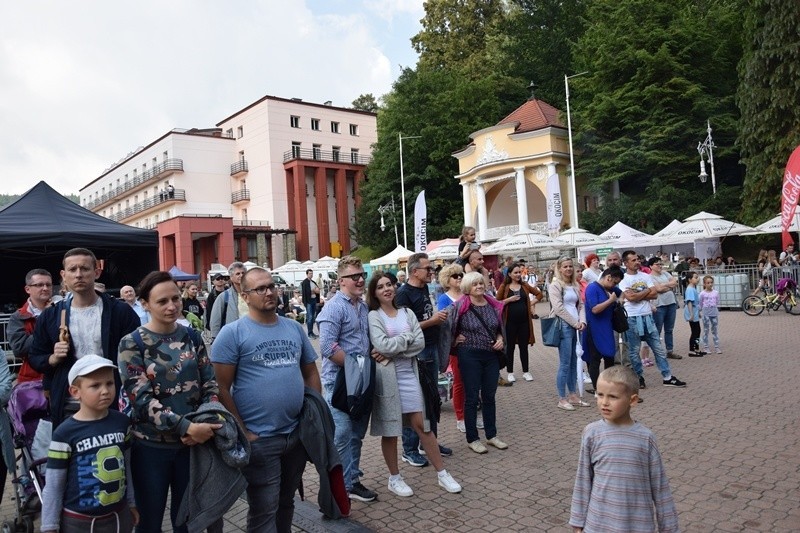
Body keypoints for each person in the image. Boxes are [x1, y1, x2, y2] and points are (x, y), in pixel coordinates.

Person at [211, 267, 321, 531]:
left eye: (272, 286)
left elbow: (310, 372)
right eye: (260, 288)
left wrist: (312, 416)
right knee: (263, 509)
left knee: (286, 502)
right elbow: (221, 387)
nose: (269, 292)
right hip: (260, 440)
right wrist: (243, 431)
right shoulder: (233, 333)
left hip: (295, 435)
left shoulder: (294, 328)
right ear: (245, 295)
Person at [118, 271, 221, 533]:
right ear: (145, 304)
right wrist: (186, 427)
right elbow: (140, 399)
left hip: (193, 447)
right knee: (149, 521)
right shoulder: (132, 343)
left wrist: (204, 424)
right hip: (151, 448)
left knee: (186, 521)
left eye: (175, 298)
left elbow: (209, 384)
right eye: (162, 301)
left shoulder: (192, 337)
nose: (172, 306)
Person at [366, 273, 462, 497]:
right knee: (391, 430)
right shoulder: (374, 316)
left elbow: (418, 343)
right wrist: (406, 339)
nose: (387, 289)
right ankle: (395, 478)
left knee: (422, 425)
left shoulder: (407, 312)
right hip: (388, 378)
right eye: (380, 287)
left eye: (389, 284)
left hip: (410, 375)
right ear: (375, 292)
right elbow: (381, 344)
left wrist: (393, 349)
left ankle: (442, 474)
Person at [29, 248, 140, 428]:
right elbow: (36, 357)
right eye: (73, 270)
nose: (79, 275)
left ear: (96, 272)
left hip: (112, 402)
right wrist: (53, 357)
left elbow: (137, 355)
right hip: (69, 406)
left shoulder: (120, 312)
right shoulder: (50, 317)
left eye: (84, 269)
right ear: (64, 275)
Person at [569, 366, 679, 533]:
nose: (604, 402)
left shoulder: (645, 438)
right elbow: (583, 479)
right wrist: (578, 521)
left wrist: (669, 528)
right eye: (600, 395)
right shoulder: (591, 433)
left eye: (613, 397)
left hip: (638, 526)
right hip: (598, 525)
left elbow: (660, 486)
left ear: (632, 400)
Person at [41, 355, 138, 533]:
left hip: (118, 516)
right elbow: (54, 486)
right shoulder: (64, 433)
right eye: (95, 385)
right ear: (75, 392)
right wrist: (49, 525)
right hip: (78, 522)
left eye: (109, 383)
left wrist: (131, 503)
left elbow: (128, 468)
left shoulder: (122, 423)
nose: (105, 391)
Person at [316, 256, 377, 503]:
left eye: (362, 275)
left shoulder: (363, 307)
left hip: (360, 382)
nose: (361, 279)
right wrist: (356, 367)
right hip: (339, 383)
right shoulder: (334, 307)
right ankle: (336, 488)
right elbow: (328, 347)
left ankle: (350, 482)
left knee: (356, 435)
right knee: (341, 435)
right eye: (354, 276)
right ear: (341, 281)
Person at [396, 253, 452, 467]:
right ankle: (409, 449)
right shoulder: (403, 294)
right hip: (418, 351)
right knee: (415, 400)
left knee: (431, 399)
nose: (432, 272)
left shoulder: (424, 290)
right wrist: (432, 321)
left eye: (432, 269)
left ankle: (430, 443)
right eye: (428, 269)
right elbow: (404, 328)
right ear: (414, 271)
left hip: (431, 347)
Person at [447, 272, 508, 454]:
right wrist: (454, 338)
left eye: (481, 283)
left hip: (491, 355)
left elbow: (498, 328)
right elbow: (448, 327)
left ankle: (491, 435)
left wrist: (500, 338)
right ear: (467, 288)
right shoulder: (460, 306)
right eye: (475, 284)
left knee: (489, 396)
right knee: (472, 397)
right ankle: (472, 438)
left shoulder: (491, 304)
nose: (479, 287)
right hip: (469, 355)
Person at [618, 250, 686, 389]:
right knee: (634, 351)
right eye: (633, 260)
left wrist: (638, 294)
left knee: (658, 348)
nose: (637, 262)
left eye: (638, 259)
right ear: (626, 263)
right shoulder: (623, 279)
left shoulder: (645, 275)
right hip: (632, 318)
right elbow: (630, 298)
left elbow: (654, 295)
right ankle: (639, 377)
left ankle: (667, 377)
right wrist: (646, 292)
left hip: (647, 316)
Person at [435, 263, 476, 433]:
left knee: (473, 382)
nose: (459, 278)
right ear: (447, 280)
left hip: (473, 344)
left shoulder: (468, 295)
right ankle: (461, 417)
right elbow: (443, 325)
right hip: (457, 347)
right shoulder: (444, 298)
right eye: (455, 276)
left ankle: (472, 415)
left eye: (460, 275)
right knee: (459, 383)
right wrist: (454, 337)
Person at [548, 257, 588, 411]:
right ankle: (562, 398)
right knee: (565, 363)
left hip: (577, 327)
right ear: (560, 268)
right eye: (565, 266)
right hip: (564, 325)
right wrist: (574, 322)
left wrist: (582, 321)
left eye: (570, 266)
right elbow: (558, 308)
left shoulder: (575, 284)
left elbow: (581, 305)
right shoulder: (556, 285)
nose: (568, 269)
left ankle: (573, 394)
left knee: (574, 362)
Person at [496, 262, 542, 383]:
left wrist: (530, 304)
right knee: (510, 347)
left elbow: (539, 294)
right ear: (509, 274)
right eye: (515, 272)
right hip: (510, 323)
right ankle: (510, 372)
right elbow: (496, 303)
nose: (518, 275)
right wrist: (508, 300)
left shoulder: (525, 285)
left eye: (519, 272)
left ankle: (526, 371)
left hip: (524, 322)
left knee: (523, 347)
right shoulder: (504, 287)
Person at [583, 267, 624, 393]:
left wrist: (620, 299)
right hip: (594, 328)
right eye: (614, 282)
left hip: (606, 327)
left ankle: (608, 386)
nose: (615, 285)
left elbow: (621, 293)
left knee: (609, 356)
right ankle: (597, 389)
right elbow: (595, 309)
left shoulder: (610, 288)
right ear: (608, 278)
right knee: (594, 359)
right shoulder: (592, 288)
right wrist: (611, 301)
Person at [8, 268, 53, 383]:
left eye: (48, 285)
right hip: (33, 381)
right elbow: (19, 349)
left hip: (60, 377)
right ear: (28, 289)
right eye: (39, 285)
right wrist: (45, 318)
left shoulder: (62, 310)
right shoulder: (17, 317)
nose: (45, 288)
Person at [649, 259, 682, 360]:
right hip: (659, 305)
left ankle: (670, 351)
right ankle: (658, 352)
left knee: (669, 329)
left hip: (671, 303)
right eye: (657, 264)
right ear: (651, 266)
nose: (660, 266)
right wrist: (669, 286)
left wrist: (664, 285)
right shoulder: (649, 277)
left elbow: (675, 283)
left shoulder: (665, 273)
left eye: (660, 264)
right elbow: (657, 289)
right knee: (657, 330)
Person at [209, 261, 247, 341]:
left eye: (243, 273)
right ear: (231, 277)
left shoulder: (254, 294)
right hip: (233, 338)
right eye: (238, 274)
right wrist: (216, 339)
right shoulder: (224, 297)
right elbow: (215, 321)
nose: (241, 275)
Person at [699, 275, 721, 354]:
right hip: (706, 313)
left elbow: (717, 302)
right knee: (706, 330)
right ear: (704, 284)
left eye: (711, 282)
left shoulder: (716, 293)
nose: (710, 284)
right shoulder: (702, 294)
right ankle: (706, 347)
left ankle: (717, 346)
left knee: (714, 330)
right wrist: (699, 311)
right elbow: (700, 304)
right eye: (708, 283)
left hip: (714, 313)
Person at [683, 272, 702, 357]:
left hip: (695, 311)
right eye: (695, 277)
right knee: (695, 331)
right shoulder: (690, 289)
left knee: (698, 331)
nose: (697, 279)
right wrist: (691, 314)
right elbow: (689, 302)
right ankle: (692, 350)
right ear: (689, 280)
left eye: (697, 277)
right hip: (692, 312)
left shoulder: (693, 288)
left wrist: (698, 313)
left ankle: (697, 348)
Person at [300, 269, 321, 338]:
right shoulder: (305, 282)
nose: (311, 275)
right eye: (309, 273)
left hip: (314, 300)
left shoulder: (313, 282)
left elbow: (318, 290)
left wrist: (314, 291)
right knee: (310, 317)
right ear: (307, 274)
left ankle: (312, 332)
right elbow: (305, 293)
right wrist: (313, 291)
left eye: (312, 273)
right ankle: (309, 333)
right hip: (308, 301)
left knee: (313, 317)